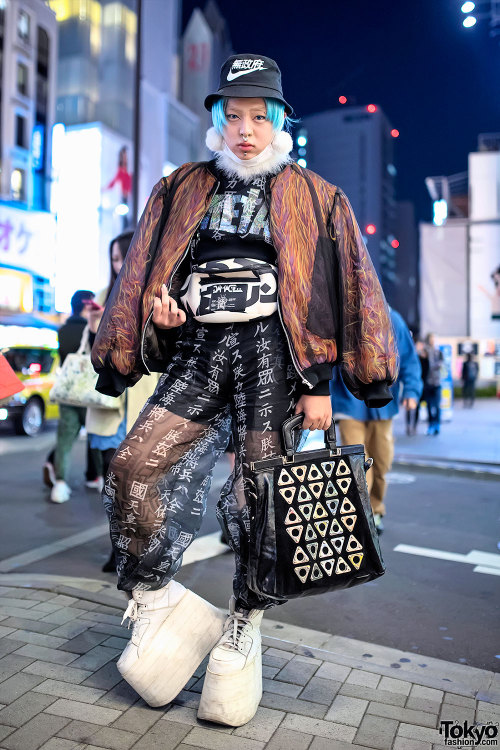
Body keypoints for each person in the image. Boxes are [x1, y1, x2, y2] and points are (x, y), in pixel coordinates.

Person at [91, 53, 398, 726]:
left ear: (282, 120)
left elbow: (345, 288)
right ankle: (156, 600)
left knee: (260, 498)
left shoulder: (319, 196)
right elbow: (145, 276)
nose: (245, 129)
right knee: (135, 463)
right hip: (199, 350)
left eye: (259, 116)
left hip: (273, 359)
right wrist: (160, 317)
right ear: (217, 121)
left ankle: (243, 625)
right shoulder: (178, 188)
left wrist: (324, 383)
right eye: (233, 115)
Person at [86, 230, 161, 572]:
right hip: (107, 409)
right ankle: (118, 547)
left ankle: (139, 547)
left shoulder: (156, 292)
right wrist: (92, 327)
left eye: (124, 255)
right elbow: (93, 353)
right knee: (112, 484)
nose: (120, 264)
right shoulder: (103, 296)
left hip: (142, 403)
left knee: (141, 483)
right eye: (115, 258)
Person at [330, 308, 422, 534]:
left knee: (382, 462)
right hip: (349, 403)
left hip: (384, 404)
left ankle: (376, 509)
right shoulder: (342, 314)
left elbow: (408, 358)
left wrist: (411, 391)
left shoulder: (392, 317)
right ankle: (364, 514)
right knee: (357, 461)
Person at [49, 289, 98, 503]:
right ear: (87, 306)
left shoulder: (62, 330)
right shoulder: (91, 329)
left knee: (65, 440)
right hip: (88, 393)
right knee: (96, 436)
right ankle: (97, 477)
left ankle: (60, 485)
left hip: (68, 392)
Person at [423, 333, 443, 435]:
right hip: (428, 383)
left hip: (437, 382)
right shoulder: (425, 351)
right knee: (429, 406)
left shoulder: (438, 352)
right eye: (431, 339)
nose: (433, 340)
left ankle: (437, 424)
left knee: (437, 406)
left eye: (434, 339)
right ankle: (430, 424)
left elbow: (440, 364)